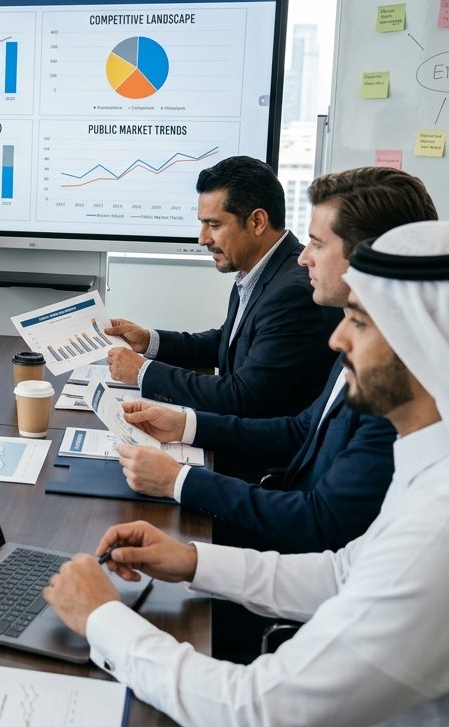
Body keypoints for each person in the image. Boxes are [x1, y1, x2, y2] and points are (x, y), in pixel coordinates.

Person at [44, 220, 449, 726]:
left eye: (361, 323)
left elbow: (257, 707)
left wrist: (103, 619)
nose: (337, 339)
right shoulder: (429, 466)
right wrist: (192, 560)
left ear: (425, 342)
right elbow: (341, 574)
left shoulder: (436, 531)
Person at [115, 167, 437, 553]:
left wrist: (179, 481)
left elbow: (322, 523)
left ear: (370, 256)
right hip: (282, 509)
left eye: (317, 244)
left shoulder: (395, 383)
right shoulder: (357, 335)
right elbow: (302, 429)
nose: (304, 258)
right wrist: (184, 424)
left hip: (289, 532)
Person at [104, 155, 337, 419]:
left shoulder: (293, 293)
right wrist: (149, 340)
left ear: (257, 222)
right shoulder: (260, 270)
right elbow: (227, 343)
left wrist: (143, 372)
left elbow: (243, 397)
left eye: (214, 225)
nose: (202, 239)